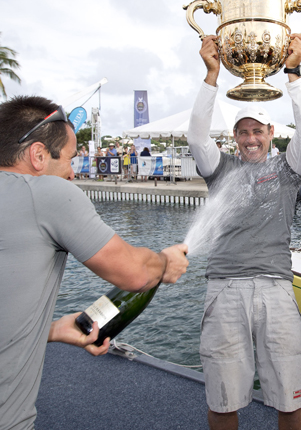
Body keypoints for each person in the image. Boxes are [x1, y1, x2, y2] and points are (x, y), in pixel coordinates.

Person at [0, 96, 189, 430]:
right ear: (39, 155)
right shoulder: (45, 192)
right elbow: (134, 274)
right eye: (71, 159)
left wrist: (51, 330)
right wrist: (163, 261)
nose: (74, 173)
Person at [188, 33, 301, 430]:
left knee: (290, 395)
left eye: (257, 131)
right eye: (243, 132)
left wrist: (294, 74)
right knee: (223, 400)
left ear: (271, 132)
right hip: (224, 287)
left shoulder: (288, 169)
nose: (250, 139)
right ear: (234, 138)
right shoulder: (220, 169)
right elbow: (195, 136)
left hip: (275, 288)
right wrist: (211, 75)